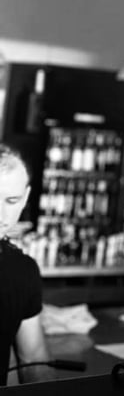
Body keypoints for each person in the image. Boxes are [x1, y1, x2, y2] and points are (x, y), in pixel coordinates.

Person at [0, 144, 53, 385]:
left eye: (12, 200)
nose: (1, 215)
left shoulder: (22, 270)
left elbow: (33, 360)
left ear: (26, 198)